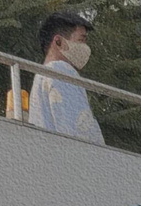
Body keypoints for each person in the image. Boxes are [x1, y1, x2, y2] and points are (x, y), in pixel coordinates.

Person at [28, 11, 105, 145]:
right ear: (58, 42)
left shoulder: (42, 75)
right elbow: (77, 129)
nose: (86, 47)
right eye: (81, 40)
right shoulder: (61, 70)